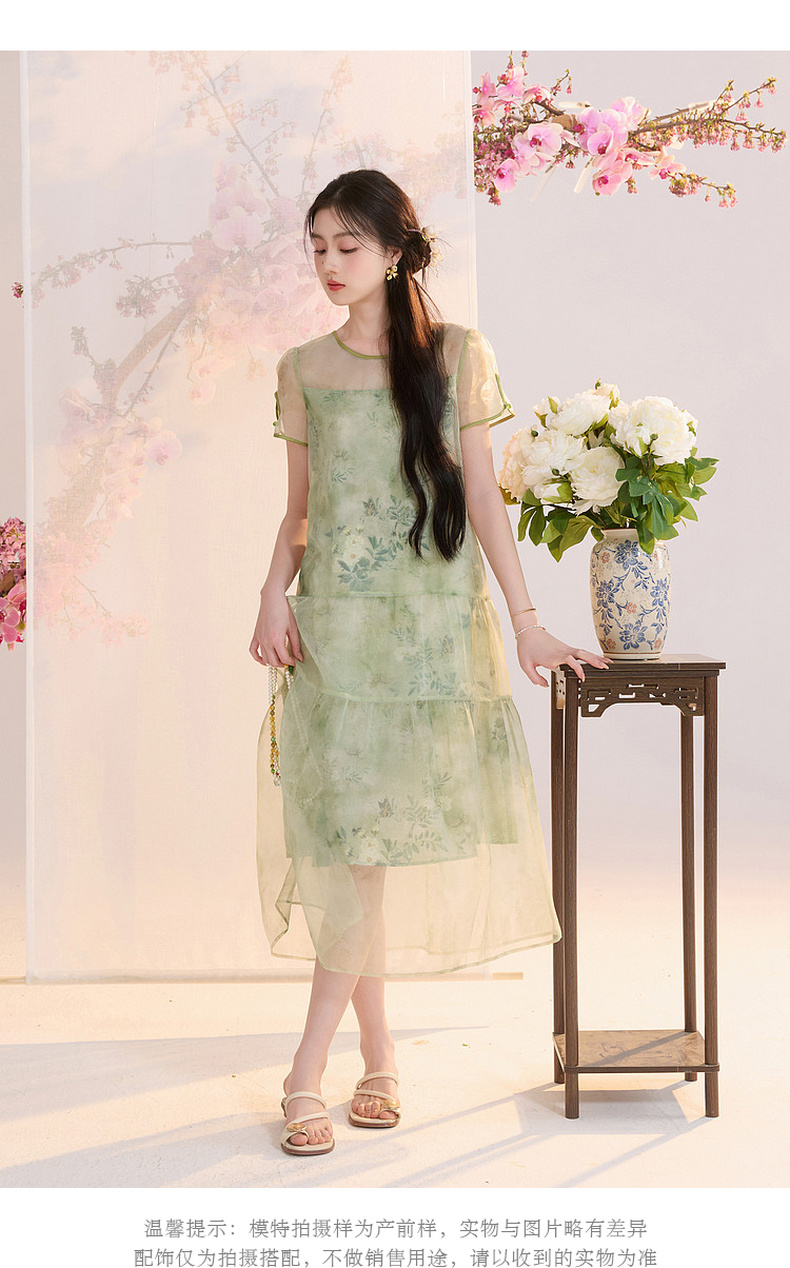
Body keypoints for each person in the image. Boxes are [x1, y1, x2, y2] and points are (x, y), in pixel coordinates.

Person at [249, 168, 610, 1157]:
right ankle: (350, 1062)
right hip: (336, 637)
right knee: (351, 850)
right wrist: (272, 591)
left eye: (347, 245)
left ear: (395, 252)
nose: (328, 263)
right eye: (317, 246)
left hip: (431, 636)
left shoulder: (457, 354)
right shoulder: (302, 366)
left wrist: (527, 620)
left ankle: (335, 1065)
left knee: (366, 853)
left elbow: (483, 496)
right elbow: (300, 511)